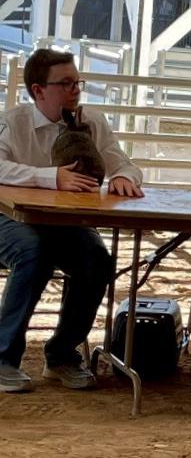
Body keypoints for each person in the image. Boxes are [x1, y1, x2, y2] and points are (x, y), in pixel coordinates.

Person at [0, 49, 143, 393]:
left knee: (97, 260)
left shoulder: (91, 120)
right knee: (33, 252)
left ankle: (62, 355)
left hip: (65, 222)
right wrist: (51, 177)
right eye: (65, 83)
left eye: (77, 82)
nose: (75, 89)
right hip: (7, 216)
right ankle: (3, 357)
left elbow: (123, 162)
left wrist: (125, 177)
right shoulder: (12, 122)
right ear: (38, 90)